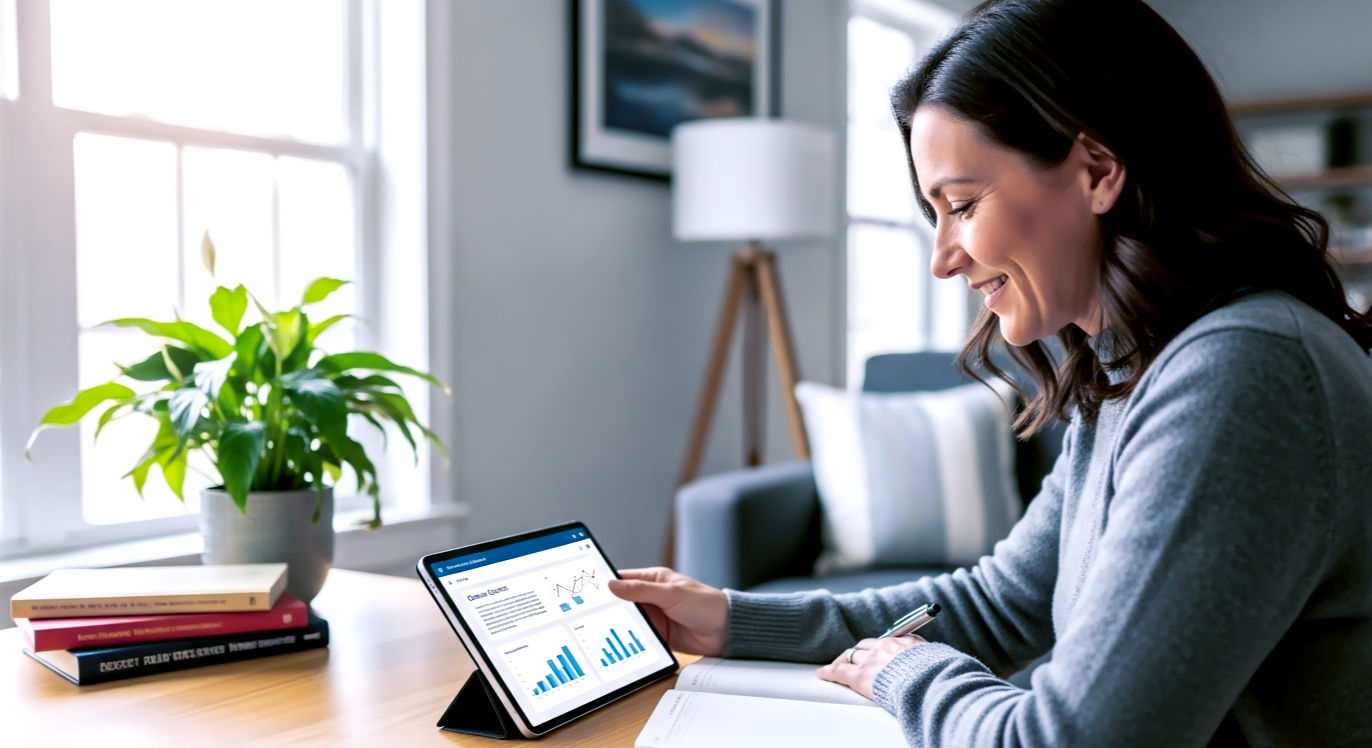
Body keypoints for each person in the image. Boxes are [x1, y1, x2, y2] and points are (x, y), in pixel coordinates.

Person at [609, 0, 1372, 745]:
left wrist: (907, 673)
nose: (943, 257)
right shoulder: (1139, 368)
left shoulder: (1242, 375)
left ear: (1098, 170)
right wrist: (735, 619)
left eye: (963, 204)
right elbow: (1000, 603)